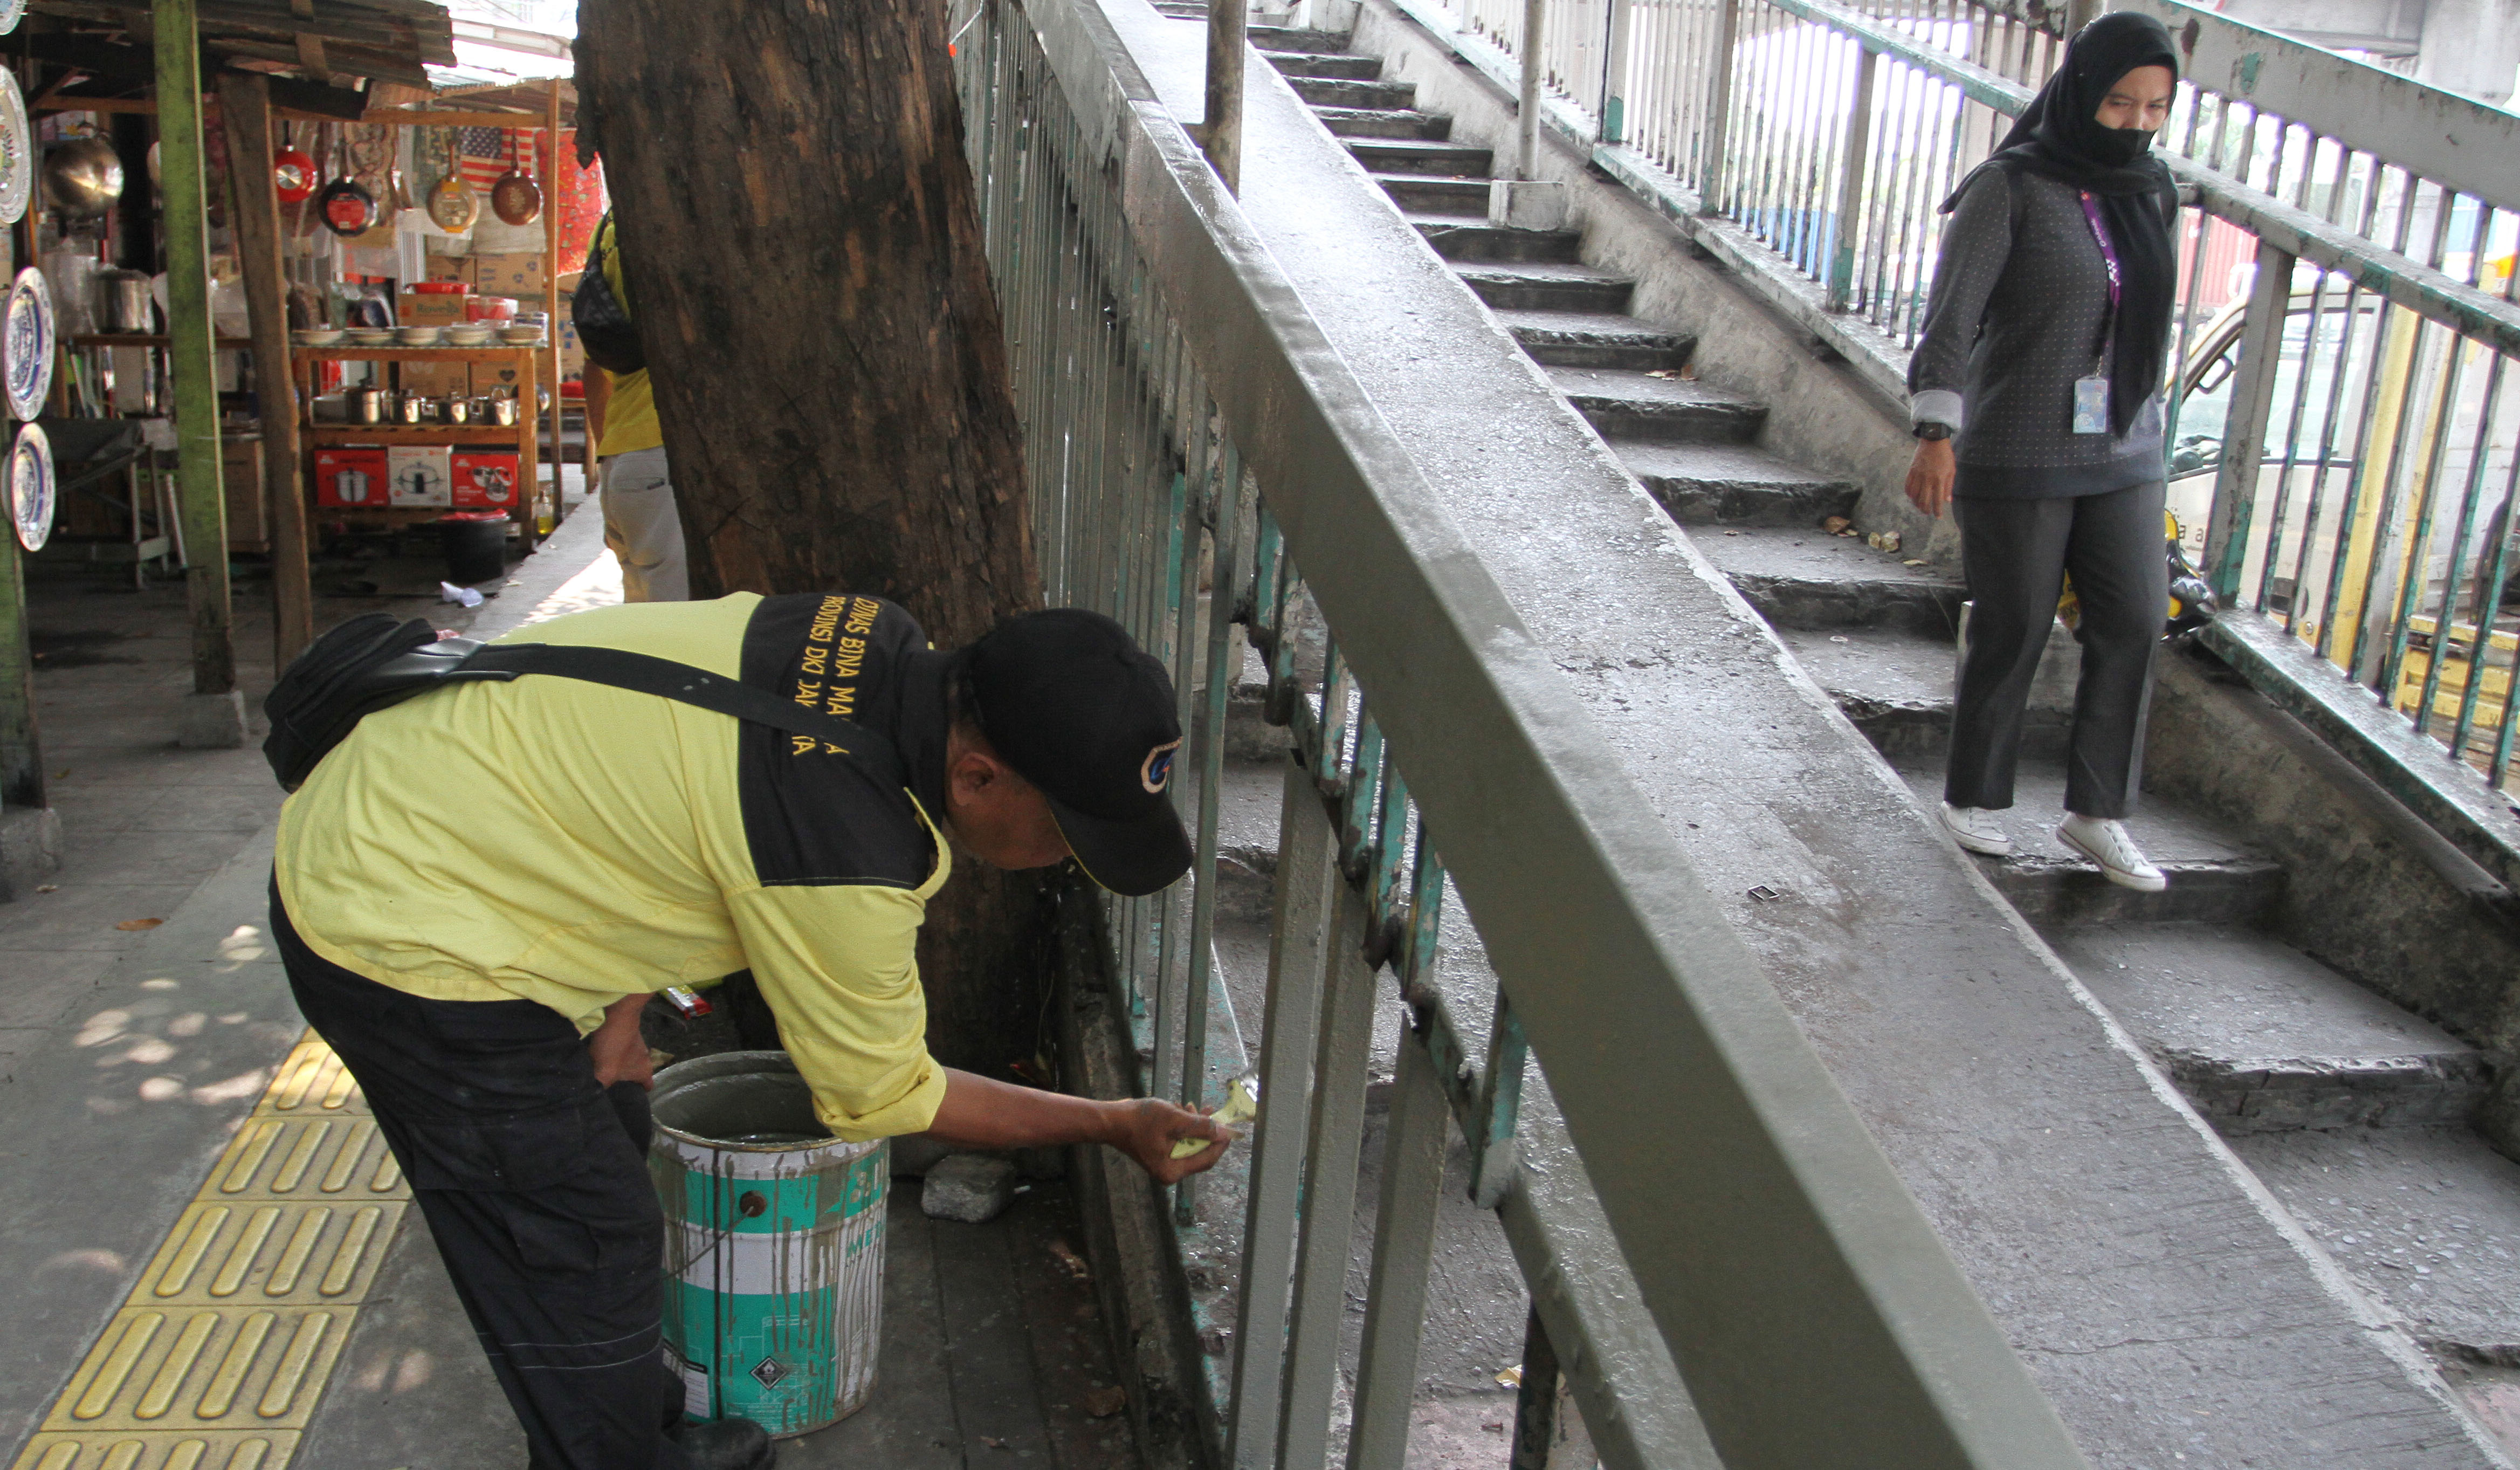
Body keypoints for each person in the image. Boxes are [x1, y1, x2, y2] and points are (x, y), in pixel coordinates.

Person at [271, 592, 1230, 1469]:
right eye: (1064, 831)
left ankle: (629, 1425)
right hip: (395, 924)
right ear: (977, 776)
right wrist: (1111, 1122)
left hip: (437, 804)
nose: (1060, 857)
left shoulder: (863, 636)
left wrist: (618, 1005)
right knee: (575, 1232)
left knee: (603, 1151)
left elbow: (656, 773)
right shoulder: (845, 851)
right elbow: (887, 1095)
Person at [1903, 12, 2182, 892]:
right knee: (2017, 620)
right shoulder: (2009, 188)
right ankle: (1973, 796)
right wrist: (1934, 433)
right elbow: (1949, 320)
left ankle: (2095, 814)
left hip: (2123, 442)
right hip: (2016, 444)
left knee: (2135, 618)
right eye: (2117, 102)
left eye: (2153, 107)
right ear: (2076, 93)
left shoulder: (2150, 189)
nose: (2134, 123)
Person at [579, 212, 688, 601]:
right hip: (663, 463)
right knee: (679, 637)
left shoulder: (608, 229)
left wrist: (610, 461)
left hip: (622, 467)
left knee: (646, 629)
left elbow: (593, 367)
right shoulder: (681, 227)